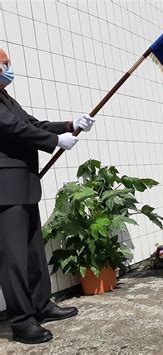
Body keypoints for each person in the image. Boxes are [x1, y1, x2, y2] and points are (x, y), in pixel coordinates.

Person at [0, 48, 95, 344]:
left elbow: (31, 124)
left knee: (32, 253)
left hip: (23, 184)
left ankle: (41, 305)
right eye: (5, 64)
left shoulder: (6, 98)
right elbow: (11, 127)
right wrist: (55, 141)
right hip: (4, 188)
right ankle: (22, 321)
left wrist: (69, 126)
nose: (9, 68)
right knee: (13, 258)